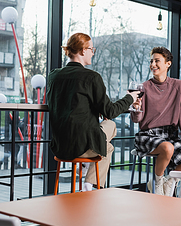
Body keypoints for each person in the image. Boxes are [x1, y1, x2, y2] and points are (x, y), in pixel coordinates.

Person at [47, 33, 139, 191]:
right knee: (110, 124)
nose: (93, 52)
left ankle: (87, 177)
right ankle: (90, 184)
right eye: (91, 49)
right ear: (83, 51)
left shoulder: (53, 76)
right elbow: (110, 111)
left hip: (60, 146)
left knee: (107, 148)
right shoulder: (92, 77)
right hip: (82, 146)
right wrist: (130, 98)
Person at [131, 47, 181, 196]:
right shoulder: (143, 87)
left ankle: (170, 181)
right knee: (168, 148)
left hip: (169, 136)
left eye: (157, 61)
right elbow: (136, 120)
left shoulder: (178, 86)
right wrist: (135, 109)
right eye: (151, 61)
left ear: (168, 64)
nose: (153, 64)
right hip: (147, 135)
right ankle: (157, 184)